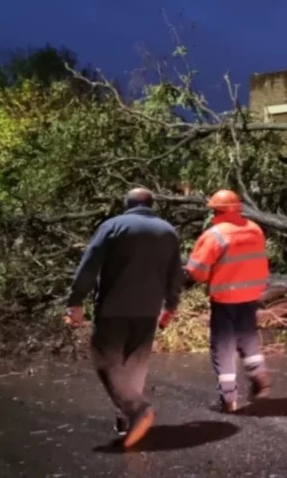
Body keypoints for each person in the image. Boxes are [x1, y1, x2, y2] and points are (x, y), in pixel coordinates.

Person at [65, 187, 183, 448]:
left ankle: (137, 408)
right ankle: (126, 419)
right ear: (151, 204)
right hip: (149, 308)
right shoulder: (167, 231)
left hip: (113, 306)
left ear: (126, 204)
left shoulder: (113, 226)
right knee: (135, 361)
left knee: (105, 360)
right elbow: (176, 272)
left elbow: (90, 264)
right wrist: (171, 305)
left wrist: (75, 301)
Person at [184, 189, 271, 413]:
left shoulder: (215, 235)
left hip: (225, 298)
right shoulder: (255, 229)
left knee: (222, 346)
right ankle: (259, 373)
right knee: (248, 336)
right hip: (251, 294)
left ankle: (229, 398)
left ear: (215, 210)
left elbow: (197, 272)